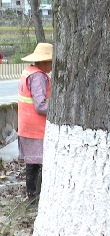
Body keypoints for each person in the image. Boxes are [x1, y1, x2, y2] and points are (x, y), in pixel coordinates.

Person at [18, 42, 53, 206]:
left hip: (26, 126)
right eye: (51, 61)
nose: (53, 65)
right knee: (39, 165)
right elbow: (41, 106)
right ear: (44, 61)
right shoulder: (38, 76)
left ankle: (32, 198)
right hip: (36, 129)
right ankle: (35, 200)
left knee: (32, 164)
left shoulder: (28, 71)